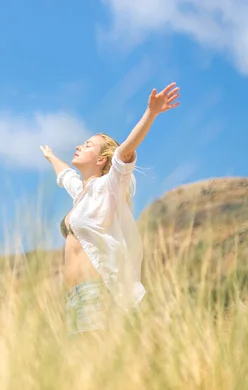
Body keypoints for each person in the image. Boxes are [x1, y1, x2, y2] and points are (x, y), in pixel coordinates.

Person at [40, 82, 180, 335]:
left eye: (88, 145)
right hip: (74, 297)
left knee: (89, 367)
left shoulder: (109, 186)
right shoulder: (82, 195)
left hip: (97, 293)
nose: (78, 147)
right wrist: (50, 157)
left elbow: (125, 152)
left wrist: (151, 113)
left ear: (101, 159)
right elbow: (66, 177)